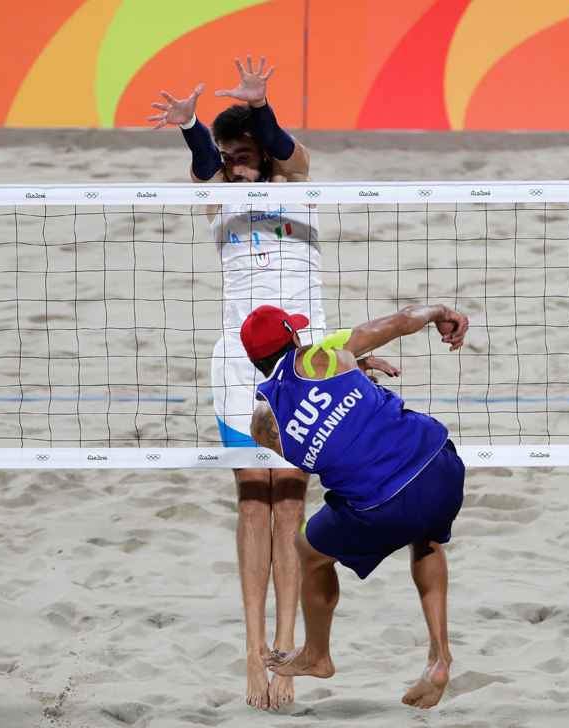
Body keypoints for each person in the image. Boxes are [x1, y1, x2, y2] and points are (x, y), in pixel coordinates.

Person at [147, 55, 393, 711]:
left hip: (304, 362)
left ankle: (287, 653)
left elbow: (281, 145)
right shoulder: (216, 196)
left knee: (291, 502)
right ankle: (256, 656)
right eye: (228, 156)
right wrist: (194, 128)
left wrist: (258, 106)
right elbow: (204, 162)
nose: (235, 165)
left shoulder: (298, 177)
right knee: (251, 503)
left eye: (244, 153)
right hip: (236, 362)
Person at [237, 302, 468, 709]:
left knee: (308, 550)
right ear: (293, 337)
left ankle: (317, 655)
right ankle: (439, 656)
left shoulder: (261, 426)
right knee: (426, 537)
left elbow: (318, 443)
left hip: (381, 505)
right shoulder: (325, 355)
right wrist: (439, 313)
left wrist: (353, 374)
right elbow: (398, 323)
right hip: (441, 466)